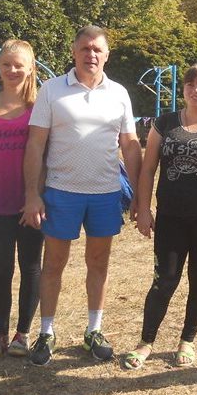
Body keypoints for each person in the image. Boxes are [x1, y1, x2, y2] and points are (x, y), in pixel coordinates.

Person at [21, 25, 142, 366]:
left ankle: (94, 330)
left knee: (98, 263)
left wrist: (140, 196)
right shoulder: (52, 89)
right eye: (85, 48)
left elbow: (130, 144)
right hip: (61, 192)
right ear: (74, 52)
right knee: (53, 265)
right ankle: (46, 333)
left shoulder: (119, 93)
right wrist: (32, 195)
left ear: (107, 55)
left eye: (97, 49)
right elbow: (35, 144)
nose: (91, 54)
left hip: (105, 193)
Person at [122, 64, 197, 369]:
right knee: (163, 280)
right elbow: (148, 169)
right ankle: (145, 342)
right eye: (190, 84)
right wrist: (144, 209)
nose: (196, 90)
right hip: (170, 218)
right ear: (183, 89)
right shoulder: (164, 123)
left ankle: (187, 341)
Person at [0, 40, 44, 359]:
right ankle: (0, 334)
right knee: (0, 270)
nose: (12, 70)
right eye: (6, 64)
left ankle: (22, 334)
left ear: (30, 68)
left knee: (31, 267)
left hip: (31, 203)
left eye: (19, 65)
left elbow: (47, 156)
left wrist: (36, 197)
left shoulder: (40, 106)